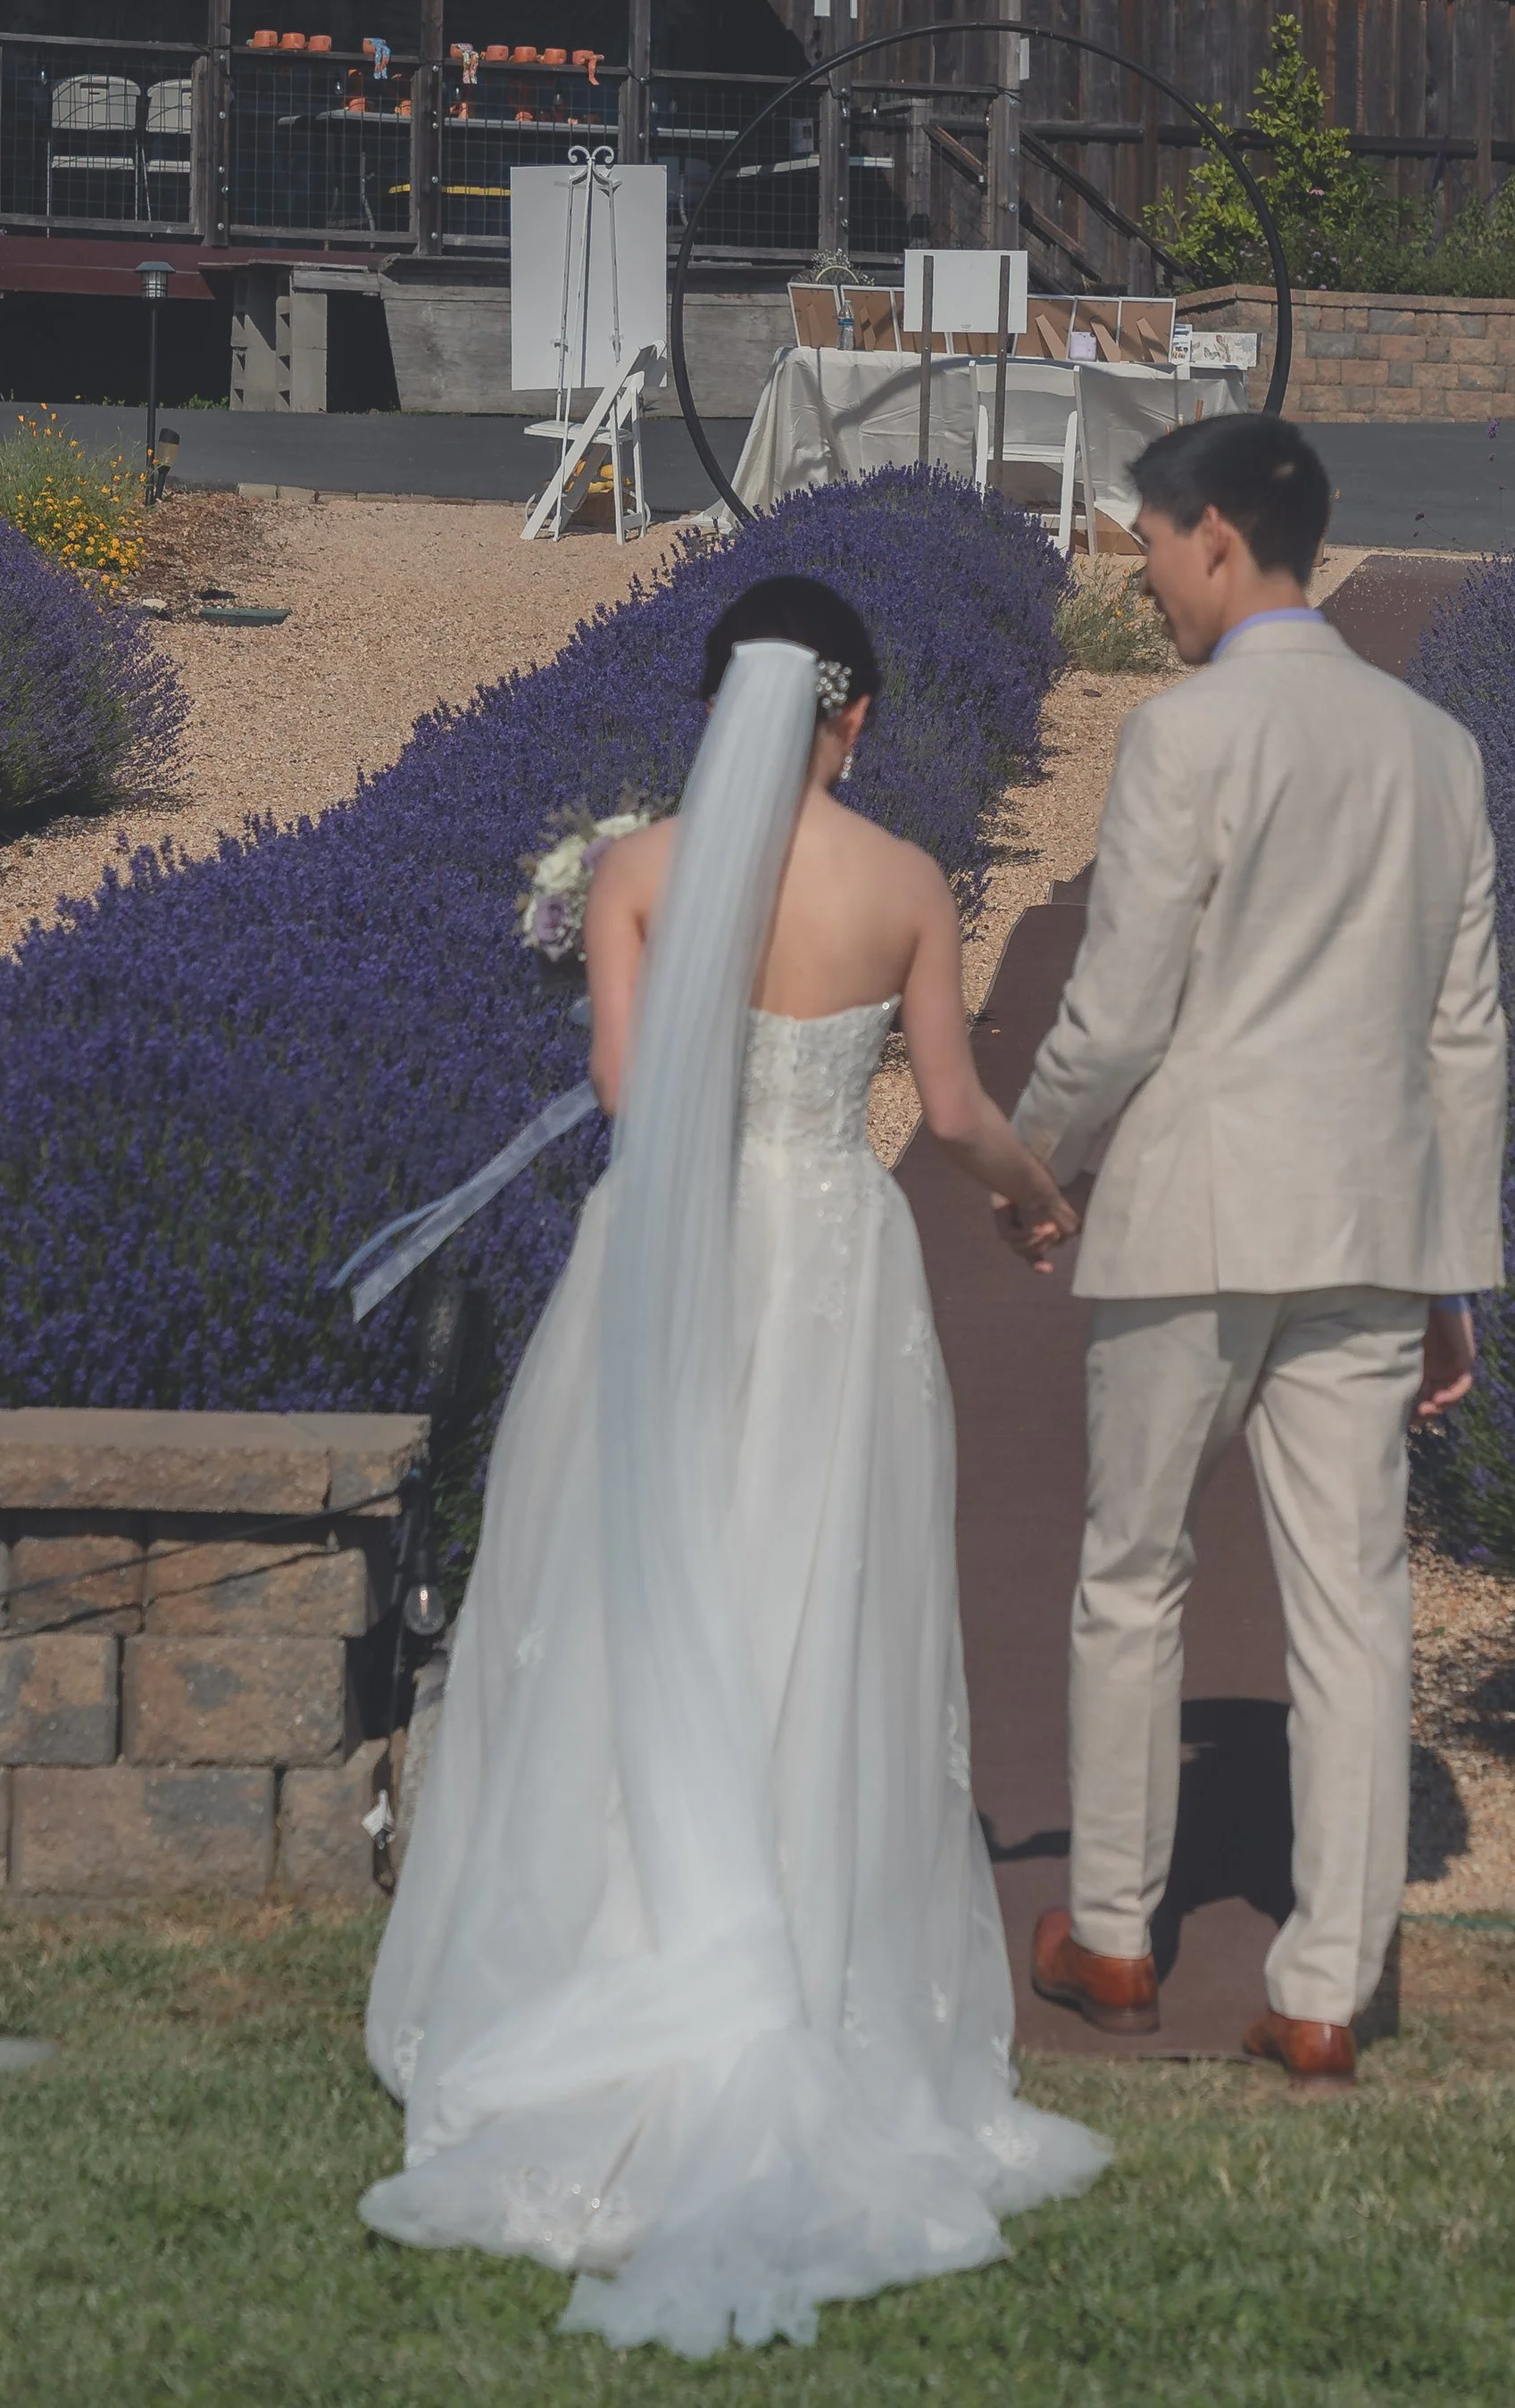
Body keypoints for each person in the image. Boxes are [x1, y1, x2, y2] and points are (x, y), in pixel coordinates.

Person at [360, 574, 1105, 2356]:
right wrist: (1030, 1197)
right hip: (833, 1271)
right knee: (811, 1590)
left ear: (718, 705)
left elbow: (628, 1092)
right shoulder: (906, 885)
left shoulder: (636, 876)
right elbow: (945, 1114)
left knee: (632, 1591)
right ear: (848, 717)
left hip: (667, 1266)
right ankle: (807, 1950)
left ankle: (607, 1951)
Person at [1006, 415, 1505, 2087]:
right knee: (1354, 1606)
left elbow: (1121, 1000)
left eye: (1147, 542)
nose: (1139, 576)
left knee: (1132, 1573)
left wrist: (1031, 1153)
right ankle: (1323, 1988)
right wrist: (1456, 1272)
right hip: (1369, 1222)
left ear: (1218, 535)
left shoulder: (1182, 735)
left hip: (1193, 1211)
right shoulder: (1439, 747)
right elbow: (1467, 1039)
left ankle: (1120, 1934)